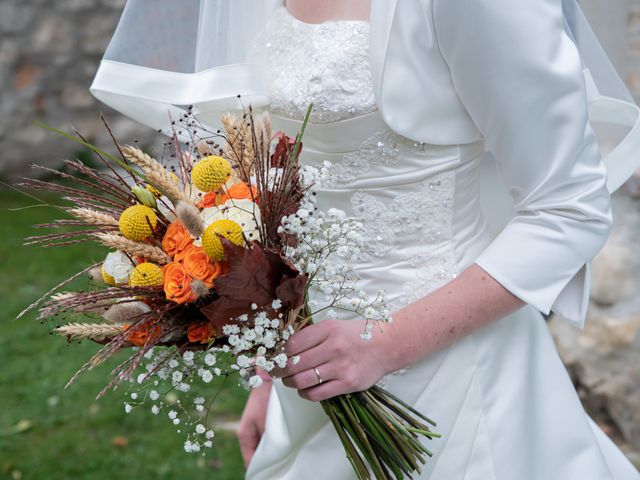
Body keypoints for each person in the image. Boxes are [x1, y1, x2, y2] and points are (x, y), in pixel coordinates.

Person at [92, 0, 640, 478]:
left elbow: (569, 208)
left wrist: (384, 345)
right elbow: (279, 181)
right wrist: (267, 370)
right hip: (309, 368)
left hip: (450, 372)